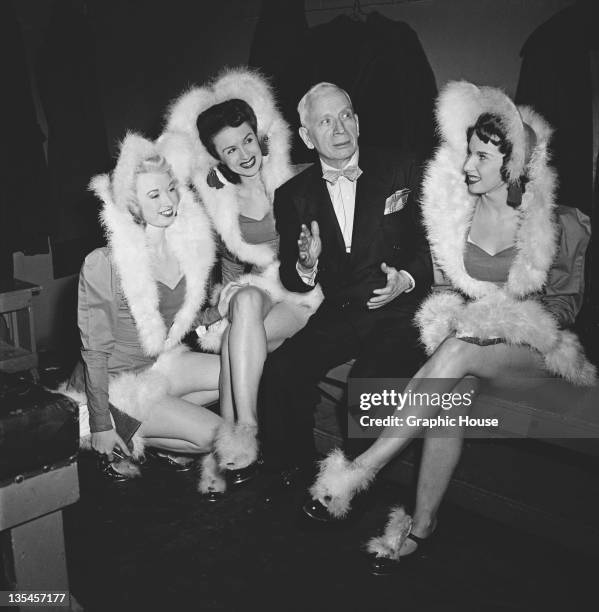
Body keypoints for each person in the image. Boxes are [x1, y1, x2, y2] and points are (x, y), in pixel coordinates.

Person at [304, 82, 596, 573]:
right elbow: (443, 287)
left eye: (482, 157)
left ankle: (362, 469)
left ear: (513, 163)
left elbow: (565, 307)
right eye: (469, 154)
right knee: (450, 397)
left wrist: (501, 318)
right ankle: (421, 526)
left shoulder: (557, 225)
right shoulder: (456, 214)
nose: (468, 166)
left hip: (529, 348)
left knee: (461, 350)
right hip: (464, 342)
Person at [257, 82, 432, 496]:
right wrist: (306, 262)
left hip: (399, 310)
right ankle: (296, 471)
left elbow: (432, 242)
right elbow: (291, 276)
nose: (340, 128)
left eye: (346, 115)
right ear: (306, 136)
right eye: (325, 121)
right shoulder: (292, 195)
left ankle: (355, 486)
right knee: (282, 372)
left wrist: (405, 278)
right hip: (341, 310)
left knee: (367, 385)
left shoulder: (402, 167)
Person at [162, 68, 323, 482]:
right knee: (245, 301)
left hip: (302, 290)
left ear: (259, 135)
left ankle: (230, 436)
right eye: (230, 150)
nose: (244, 154)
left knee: (240, 331)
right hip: (256, 290)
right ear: (218, 157)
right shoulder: (222, 201)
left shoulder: (298, 176)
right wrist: (218, 300)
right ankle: (247, 427)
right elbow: (233, 271)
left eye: (247, 140)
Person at [67, 132, 225, 492]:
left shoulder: (186, 250)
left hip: (158, 364)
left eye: (171, 188)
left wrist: (218, 312)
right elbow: (94, 353)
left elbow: (174, 322)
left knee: (237, 370)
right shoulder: (104, 264)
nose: (170, 200)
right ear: (132, 205)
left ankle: (162, 424)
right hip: (115, 386)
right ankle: (115, 433)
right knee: (213, 436)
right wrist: (103, 423)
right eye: (154, 194)